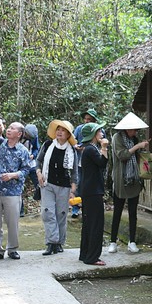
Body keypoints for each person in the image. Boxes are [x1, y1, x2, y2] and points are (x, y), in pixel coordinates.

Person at [0, 122, 31, 261]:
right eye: (9, 127)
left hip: (12, 191)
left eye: (13, 128)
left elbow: (26, 169)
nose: (9, 130)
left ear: (19, 134)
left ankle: (12, 249)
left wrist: (13, 175)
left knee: (12, 222)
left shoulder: (23, 150)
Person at [108, 112, 149, 254]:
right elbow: (123, 155)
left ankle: (132, 241)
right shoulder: (117, 138)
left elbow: (136, 158)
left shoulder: (134, 139)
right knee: (117, 212)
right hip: (121, 180)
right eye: (132, 129)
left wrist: (140, 148)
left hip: (134, 180)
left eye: (136, 129)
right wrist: (137, 146)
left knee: (133, 212)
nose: (134, 132)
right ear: (126, 128)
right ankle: (113, 241)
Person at [36, 120, 79, 255]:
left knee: (61, 214)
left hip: (64, 186)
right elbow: (38, 160)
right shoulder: (48, 145)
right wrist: (38, 173)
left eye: (63, 130)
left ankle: (59, 243)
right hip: (47, 183)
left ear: (68, 135)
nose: (59, 132)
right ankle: (51, 242)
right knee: (47, 212)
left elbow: (74, 172)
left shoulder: (71, 150)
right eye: (58, 129)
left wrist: (73, 190)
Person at [78, 122, 109, 266]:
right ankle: (92, 257)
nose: (102, 134)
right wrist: (104, 147)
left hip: (89, 190)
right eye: (99, 131)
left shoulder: (88, 149)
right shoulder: (91, 149)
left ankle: (85, 254)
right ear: (93, 134)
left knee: (89, 223)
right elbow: (102, 163)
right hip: (93, 191)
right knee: (95, 224)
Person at [72, 108, 102, 218]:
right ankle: (75, 208)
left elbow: (102, 143)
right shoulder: (79, 129)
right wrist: (76, 146)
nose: (86, 121)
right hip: (80, 161)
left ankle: (87, 208)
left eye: (89, 119)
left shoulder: (99, 131)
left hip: (93, 163)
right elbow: (73, 139)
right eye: (85, 119)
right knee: (79, 184)